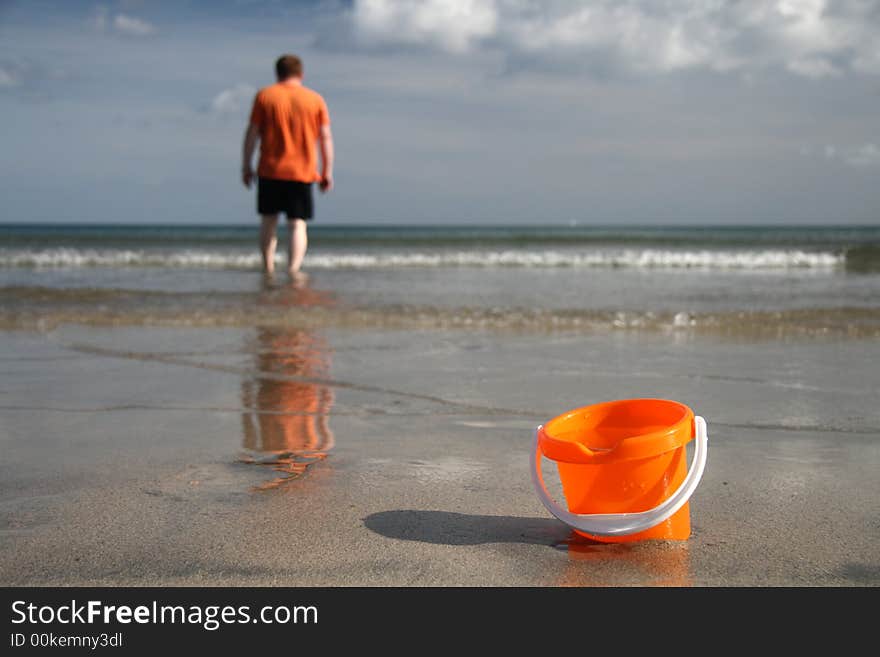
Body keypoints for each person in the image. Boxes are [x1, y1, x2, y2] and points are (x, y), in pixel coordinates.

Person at [241, 54, 334, 277]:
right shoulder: (315, 100)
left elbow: (252, 134)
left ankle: (268, 268)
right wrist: (326, 171)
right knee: (297, 224)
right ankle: (293, 270)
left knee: (268, 221)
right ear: (301, 74)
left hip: (270, 169)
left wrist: (246, 165)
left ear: (278, 73)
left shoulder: (265, 96)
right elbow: (325, 138)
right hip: (302, 171)